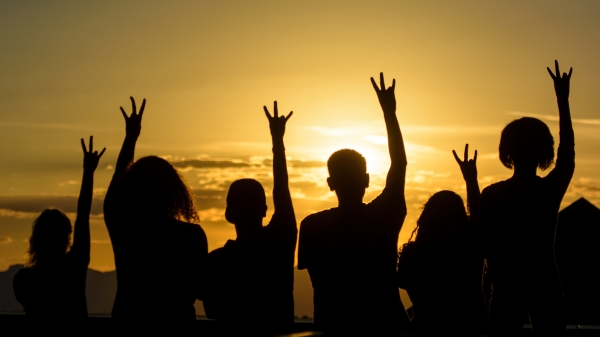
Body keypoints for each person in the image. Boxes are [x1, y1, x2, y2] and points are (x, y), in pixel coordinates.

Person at [298, 73, 408, 334]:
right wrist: (389, 113)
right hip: (386, 329)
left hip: (333, 330)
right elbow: (399, 164)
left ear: (330, 183)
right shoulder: (385, 215)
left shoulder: (312, 226)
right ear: (367, 180)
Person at [481, 61, 575, 335]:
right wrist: (562, 101)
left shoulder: (493, 194)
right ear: (545, 152)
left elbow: (483, 243)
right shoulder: (546, 192)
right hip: (544, 284)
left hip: (505, 288)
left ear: (506, 152)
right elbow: (568, 156)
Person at [103, 97, 208, 327]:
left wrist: (130, 138)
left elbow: (115, 190)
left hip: (128, 321)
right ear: (174, 191)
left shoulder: (125, 231)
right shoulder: (191, 236)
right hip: (176, 325)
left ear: (131, 190)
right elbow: (201, 289)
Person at [203, 101, 297, 335]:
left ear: (227, 214)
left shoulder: (216, 262)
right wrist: (277, 141)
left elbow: (211, 311)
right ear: (264, 210)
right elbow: (282, 190)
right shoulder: (280, 242)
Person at [13, 137, 105, 326]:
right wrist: (88, 173)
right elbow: (83, 216)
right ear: (67, 237)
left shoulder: (23, 281)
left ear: (35, 239)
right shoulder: (74, 268)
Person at [397, 144, 487, 335]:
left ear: (426, 217)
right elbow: (478, 216)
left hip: (425, 329)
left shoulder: (412, 253)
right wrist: (471, 180)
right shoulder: (470, 247)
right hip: (470, 328)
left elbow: (402, 282)